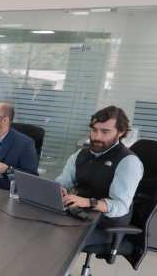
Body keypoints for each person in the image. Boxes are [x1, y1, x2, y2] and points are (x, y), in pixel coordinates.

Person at [56, 105, 144, 250]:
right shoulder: (80, 155)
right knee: (39, 227)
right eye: (94, 130)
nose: (97, 137)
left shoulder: (128, 162)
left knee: (58, 238)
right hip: (79, 215)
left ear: (121, 132)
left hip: (106, 225)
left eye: (105, 132)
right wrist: (60, 189)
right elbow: (63, 181)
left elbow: (121, 206)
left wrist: (88, 202)